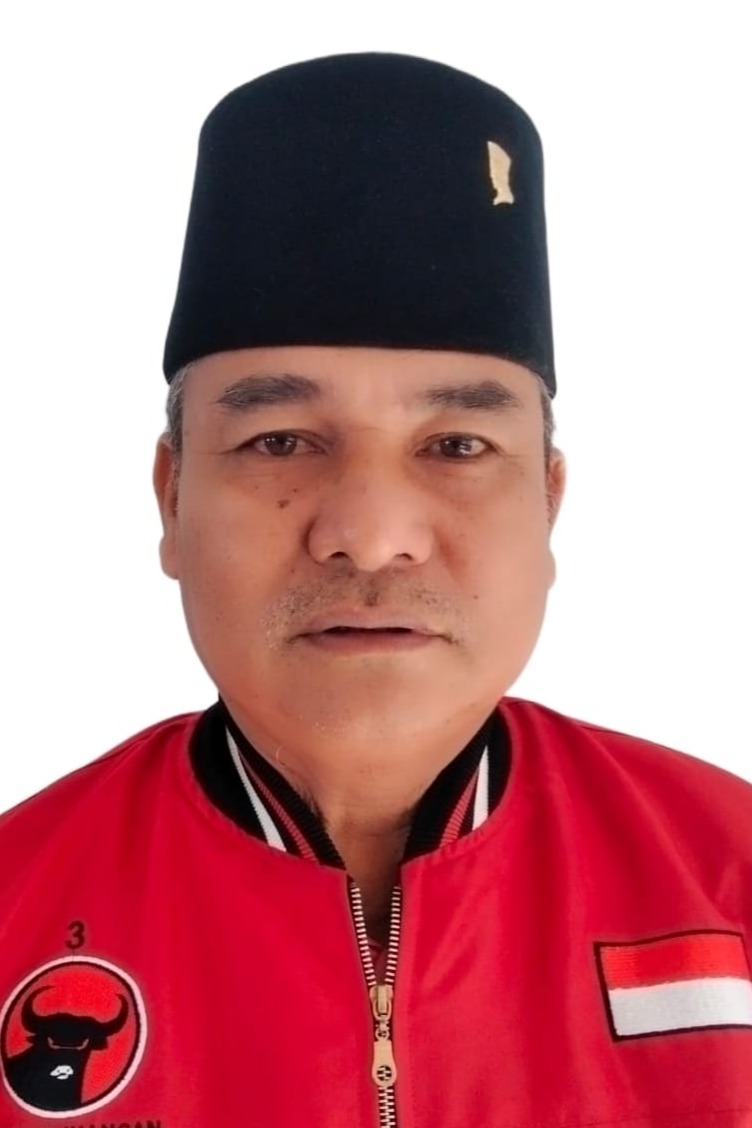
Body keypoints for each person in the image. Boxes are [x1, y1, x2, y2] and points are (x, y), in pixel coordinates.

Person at [1, 52, 751, 1128]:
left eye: (456, 444)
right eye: (278, 440)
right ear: (170, 497)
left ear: (547, 500)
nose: (370, 536)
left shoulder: (729, 876)